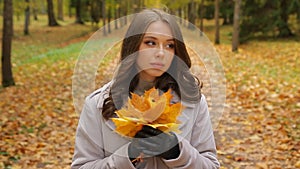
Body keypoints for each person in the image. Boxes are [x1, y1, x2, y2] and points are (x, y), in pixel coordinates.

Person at [71, 8, 220, 169]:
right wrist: (127, 157)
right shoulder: (98, 104)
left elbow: (211, 165)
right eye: (150, 42)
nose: (161, 53)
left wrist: (177, 152)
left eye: (170, 45)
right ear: (133, 46)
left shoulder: (192, 101)